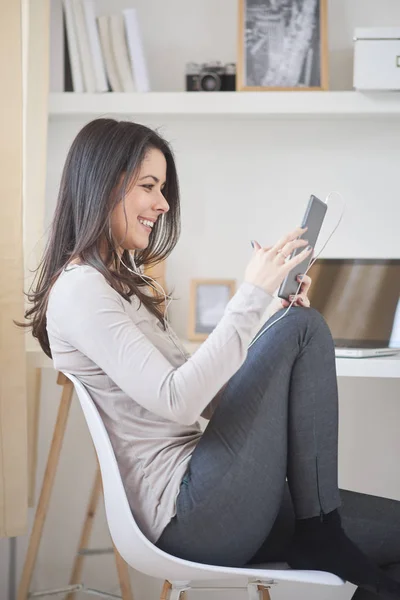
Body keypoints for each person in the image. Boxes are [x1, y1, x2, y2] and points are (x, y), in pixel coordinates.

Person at [19, 118, 400, 599]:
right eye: (148, 186)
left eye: (162, 188)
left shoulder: (120, 287)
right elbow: (176, 400)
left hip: (214, 492)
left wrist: (267, 322)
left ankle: (319, 530)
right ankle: (320, 530)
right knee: (304, 330)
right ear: (104, 185)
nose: (162, 203)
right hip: (188, 513)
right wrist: (254, 296)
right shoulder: (80, 290)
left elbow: (211, 402)